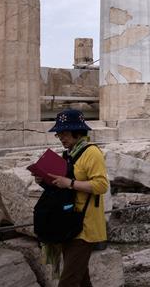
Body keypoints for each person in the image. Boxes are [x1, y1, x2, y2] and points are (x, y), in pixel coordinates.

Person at [44, 109, 109, 287]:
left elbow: (101, 185)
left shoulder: (92, 153)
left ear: (77, 132)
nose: (61, 138)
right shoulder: (69, 153)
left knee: (69, 281)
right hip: (69, 221)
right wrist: (45, 179)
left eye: (64, 133)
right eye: (59, 134)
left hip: (85, 225)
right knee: (80, 278)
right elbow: (62, 183)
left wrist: (70, 183)